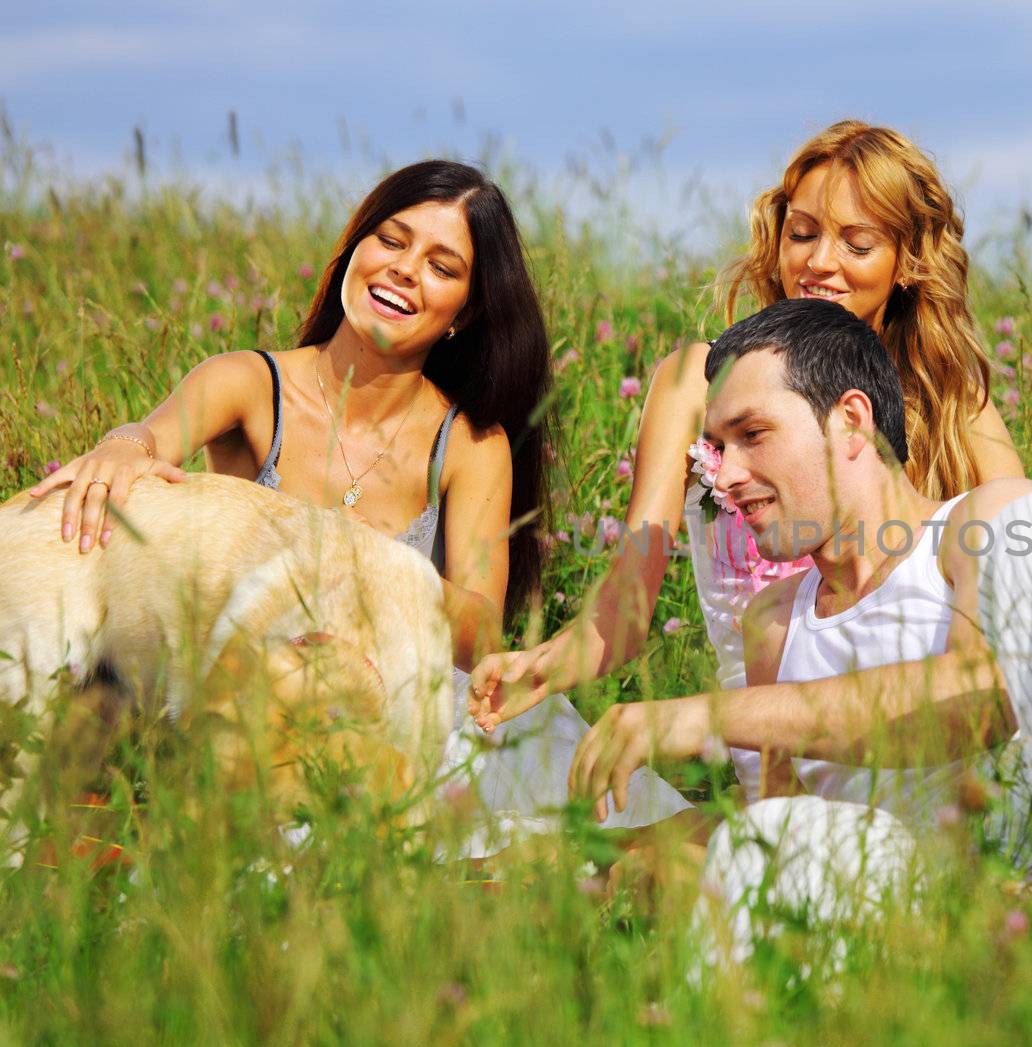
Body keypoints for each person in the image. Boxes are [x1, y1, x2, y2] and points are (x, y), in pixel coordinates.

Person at [525, 299, 1032, 965]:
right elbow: (780, 842)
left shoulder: (983, 527)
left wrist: (705, 715)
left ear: (852, 422)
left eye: (752, 435)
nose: (726, 476)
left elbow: (982, 698)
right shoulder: (771, 624)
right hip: (915, 925)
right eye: (715, 447)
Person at [29, 159, 689, 836]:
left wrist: (362, 560)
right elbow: (150, 440)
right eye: (392, 240)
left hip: (413, 716)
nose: (405, 269)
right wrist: (122, 446)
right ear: (353, 247)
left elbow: (482, 633)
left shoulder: (469, 442)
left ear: (467, 310)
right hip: (253, 712)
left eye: (442, 265)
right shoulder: (250, 385)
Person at [471, 122, 1026, 794]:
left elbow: (1021, 600)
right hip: (760, 746)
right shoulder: (697, 383)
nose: (821, 261)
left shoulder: (951, 402)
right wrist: (551, 658)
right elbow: (628, 598)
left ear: (906, 262)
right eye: (803, 233)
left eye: (858, 243)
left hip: (921, 736)